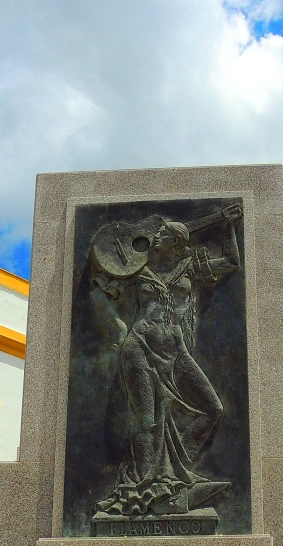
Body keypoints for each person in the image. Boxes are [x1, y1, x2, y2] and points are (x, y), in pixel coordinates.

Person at [92, 210, 240, 517]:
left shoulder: (189, 268)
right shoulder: (134, 269)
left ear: (175, 243)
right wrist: (120, 328)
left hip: (176, 350)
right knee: (146, 419)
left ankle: (172, 476)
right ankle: (147, 488)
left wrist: (228, 225)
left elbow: (231, 263)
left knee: (213, 408)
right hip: (140, 347)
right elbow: (97, 293)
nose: (155, 236)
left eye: (163, 235)